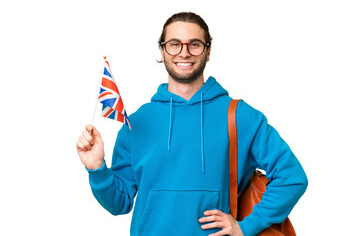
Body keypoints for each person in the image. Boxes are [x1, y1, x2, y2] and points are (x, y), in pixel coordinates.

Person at [76, 12, 308, 236]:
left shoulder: (240, 116)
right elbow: (119, 203)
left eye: (194, 44)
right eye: (174, 44)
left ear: (208, 52)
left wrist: (247, 227)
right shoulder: (136, 123)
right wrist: (96, 168)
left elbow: (292, 177)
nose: (184, 53)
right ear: (162, 50)